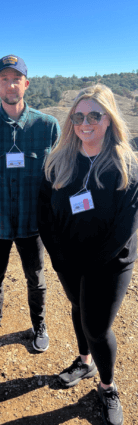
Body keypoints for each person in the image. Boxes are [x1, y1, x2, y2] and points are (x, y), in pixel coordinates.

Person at [38, 84, 138, 425]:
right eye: (78, 116)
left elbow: (124, 228)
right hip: (68, 261)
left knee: (96, 325)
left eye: (94, 115)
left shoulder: (126, 165)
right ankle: (84, 362)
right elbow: (44, 214)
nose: (85, 122)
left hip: (111, 263)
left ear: (108, 119)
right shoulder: (59, 160)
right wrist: (57, 256)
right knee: (79, 307)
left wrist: (89, 265)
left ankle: (107, 387)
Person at [0, 55, 60, 352]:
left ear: (26, 84)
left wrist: (49, 214)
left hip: (34, 224)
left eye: (16, 78)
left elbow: (58, 175)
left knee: (36, 278)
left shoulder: (48, 126)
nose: (10, 84)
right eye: (4, 79)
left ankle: (38, 323)